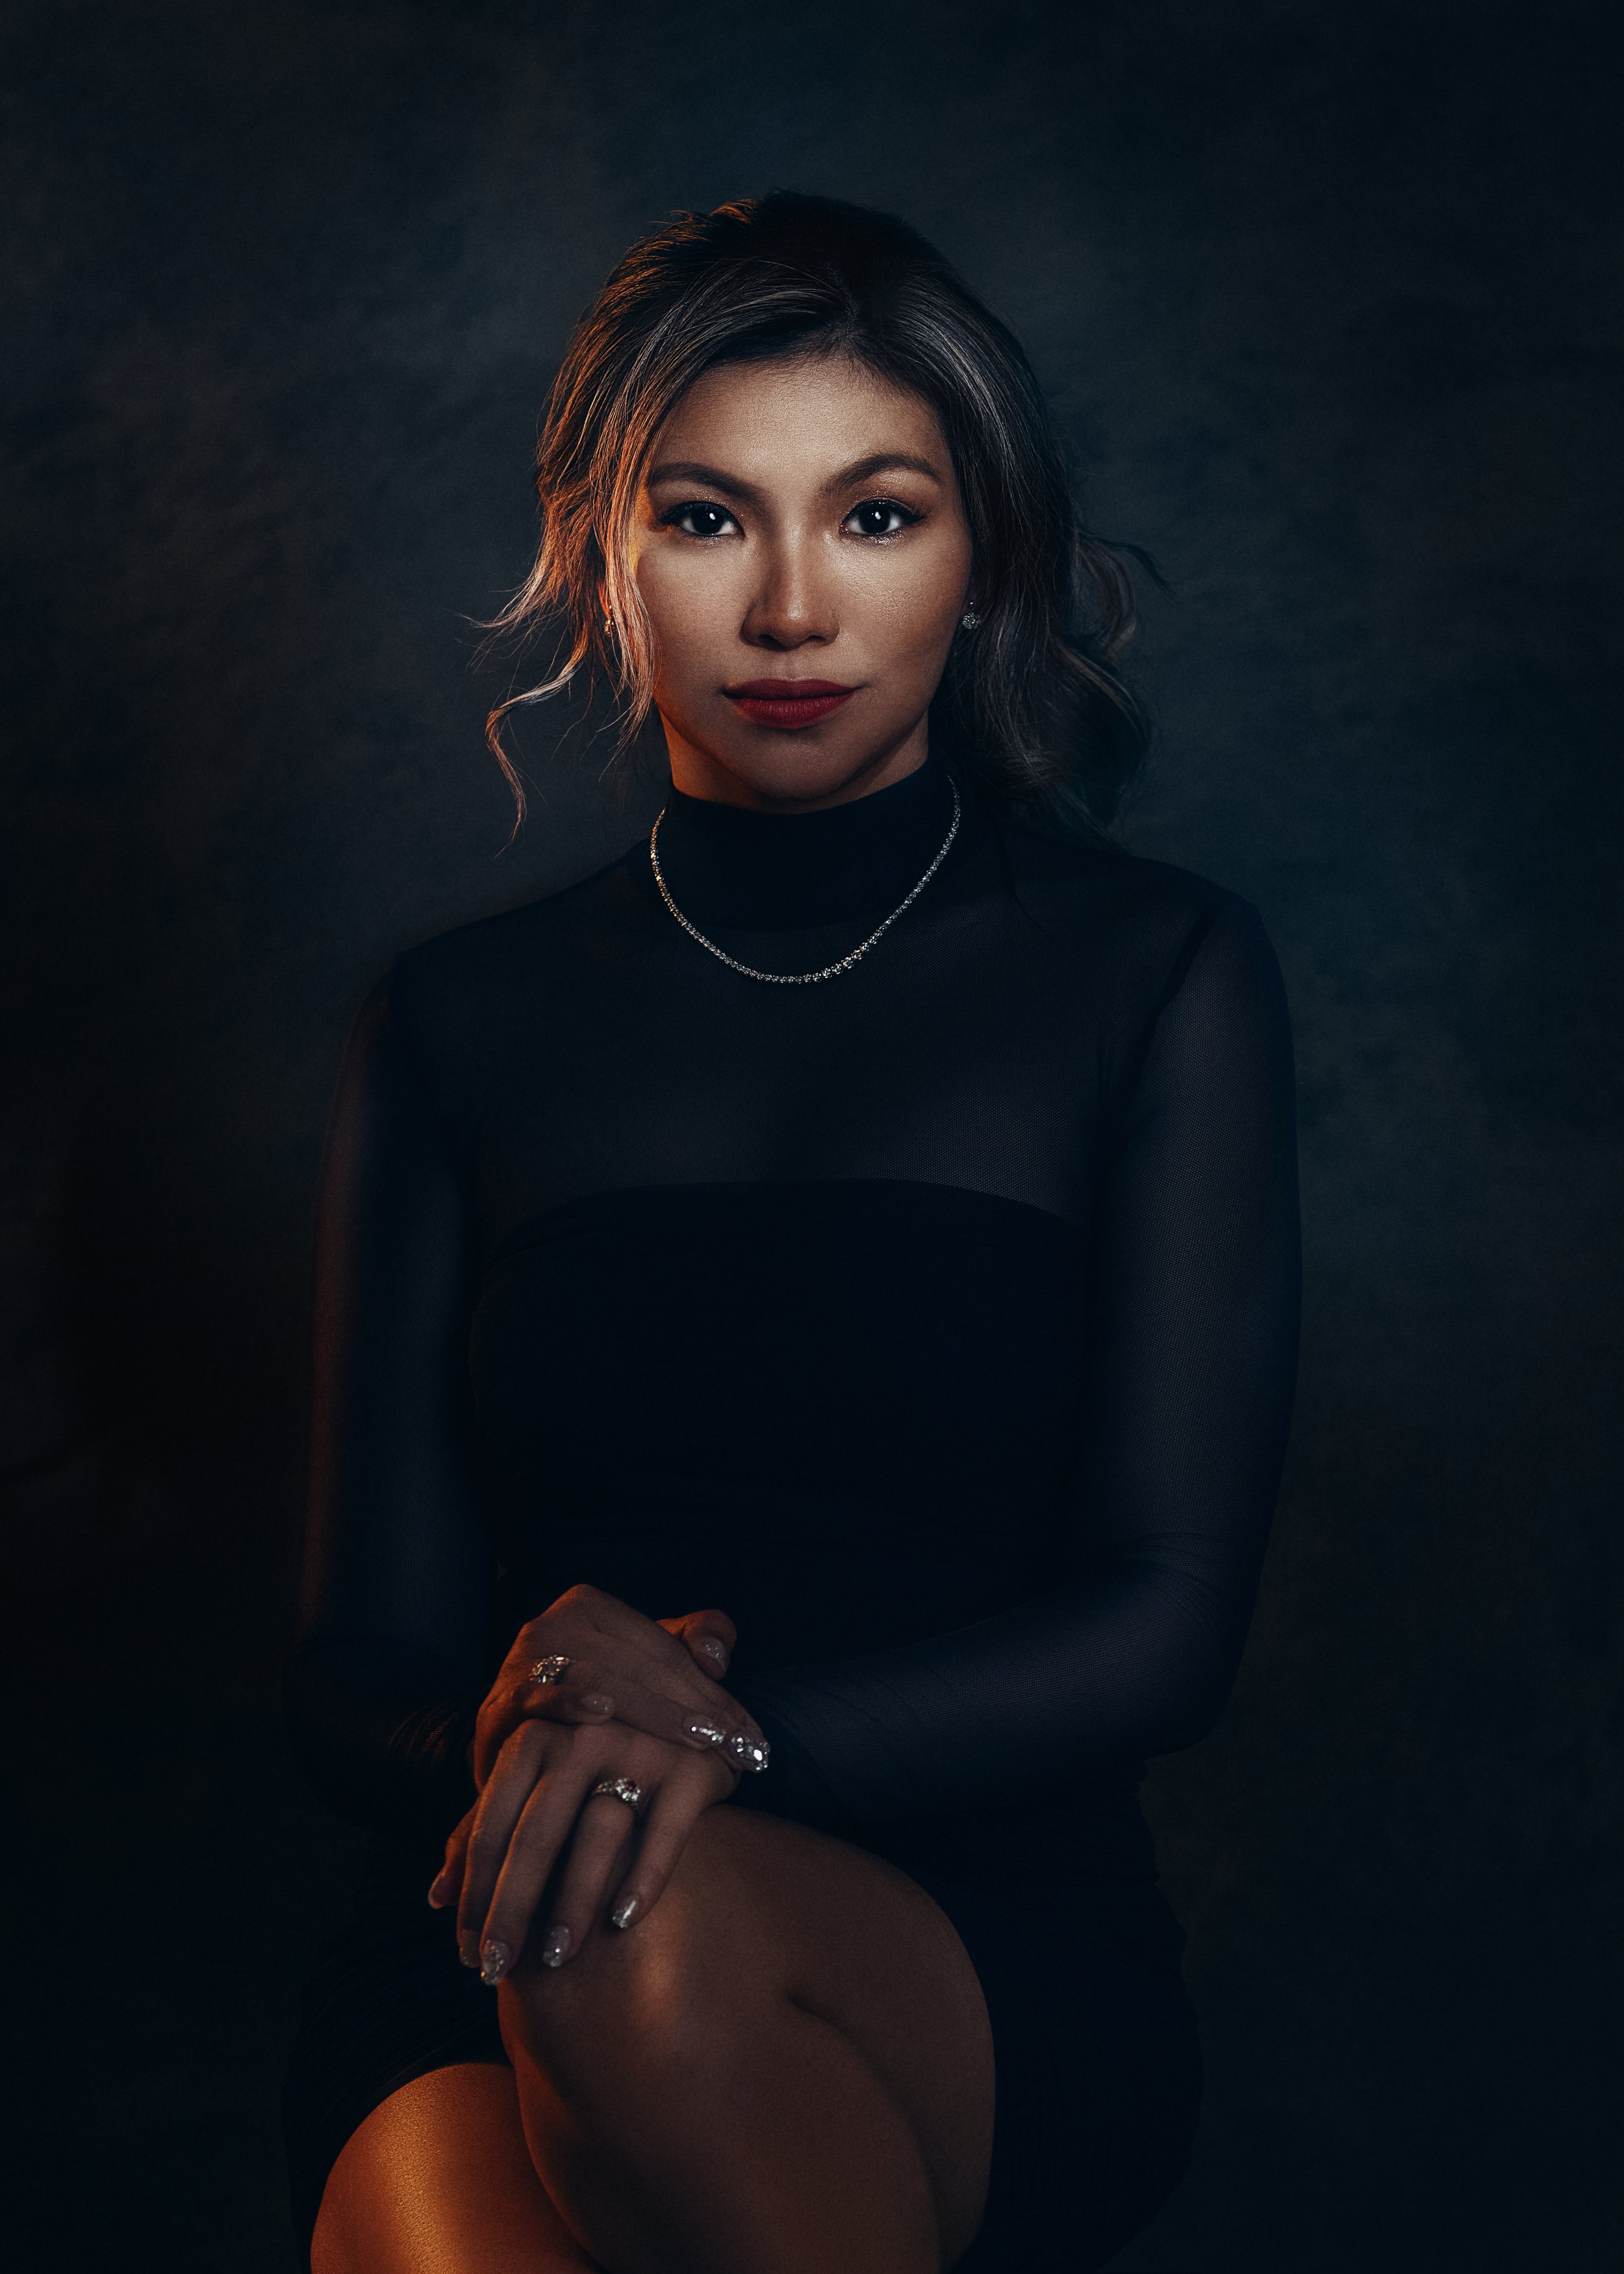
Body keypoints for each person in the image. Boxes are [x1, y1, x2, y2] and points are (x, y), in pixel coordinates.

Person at [283, 191, 1300, 2274]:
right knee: (537, 2049)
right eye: (708, 515)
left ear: (982, 556)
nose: (788, 608)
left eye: (875, 514)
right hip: (503, 1912)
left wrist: (724, 1738)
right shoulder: (458, 1024)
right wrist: (546, 1722)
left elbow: (1164, 1616)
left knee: (643, 1925)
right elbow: (360, 1666)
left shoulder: (1148, 974)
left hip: (967, 1936)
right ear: (602, 556)